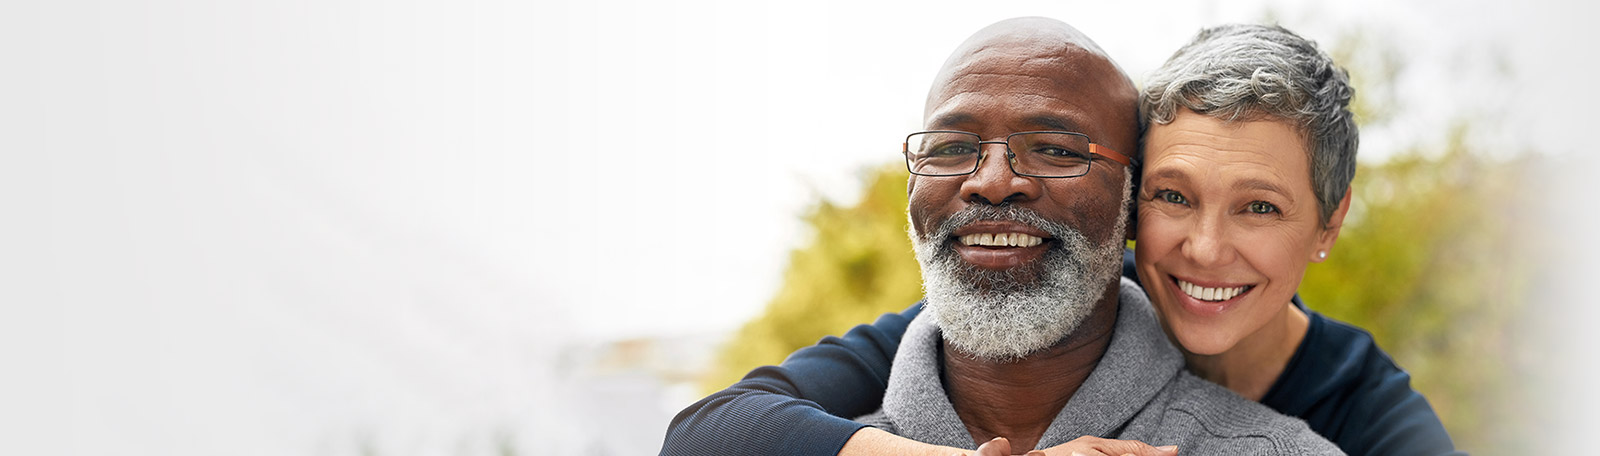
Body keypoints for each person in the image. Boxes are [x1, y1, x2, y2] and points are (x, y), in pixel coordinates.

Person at [661, 23, 1461, 456]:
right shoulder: (976, 304)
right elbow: (706, 433)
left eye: (1259, 209)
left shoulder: (1360, 416)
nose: (1206, 249)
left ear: (1329, 223)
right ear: (1137, 206)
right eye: (1175, 197)